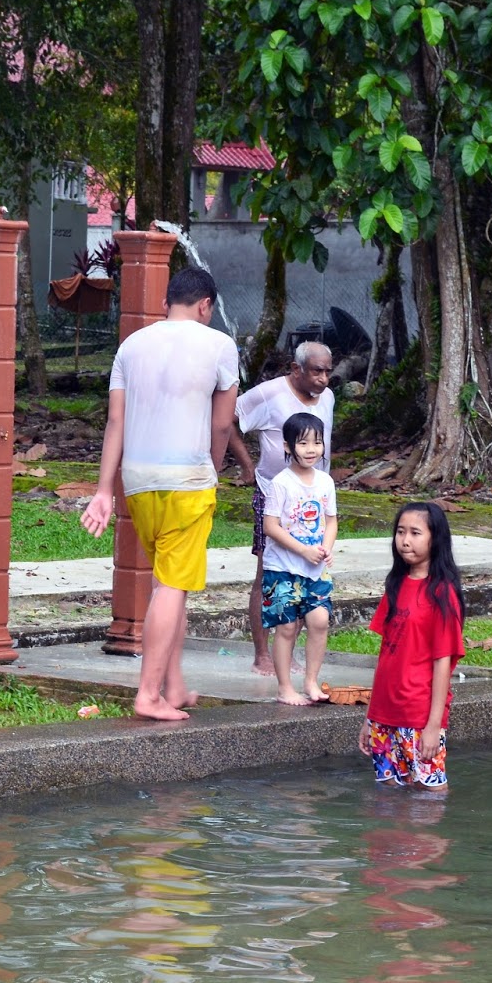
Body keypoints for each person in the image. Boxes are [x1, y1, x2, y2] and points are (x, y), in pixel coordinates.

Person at [82, 267, 238, 721]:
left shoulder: (131, 346)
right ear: (206, 305)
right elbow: (223, 423)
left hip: (137, 480)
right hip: (187, 481)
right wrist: (214, 464)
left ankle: (174, 685)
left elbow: (116, 422)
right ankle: (148, 694)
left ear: (169, 300)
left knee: (166, 583)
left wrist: (102, 490)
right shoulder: (219, 345)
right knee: (172, 585)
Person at [228, 342, 335, 676]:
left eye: (328, 371)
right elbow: (228, 419)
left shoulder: (328, 397)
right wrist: (247, 467)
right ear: (295, 369)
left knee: (305, 571)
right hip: (274, 496)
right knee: (270, 573)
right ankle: (262, 653)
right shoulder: (269, 394)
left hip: (314, 499)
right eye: (316, 371)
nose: (324, 379)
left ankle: (288, 650)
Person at [358, 503, 465, 792]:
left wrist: (433, 726)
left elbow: (443, 662)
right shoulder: (395, 585)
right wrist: (370, 717)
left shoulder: (442, 594)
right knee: (387, 794)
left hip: (418, 713)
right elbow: (385, 655)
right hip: (384, 712)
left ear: (435, 539)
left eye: (416, 533)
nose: (405, 540)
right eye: (401, 532)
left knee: (431, 794)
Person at [260, 413, 338, 706]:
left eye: (317, 443)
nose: (311, 449)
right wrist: (302, 550)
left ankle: (310, 681)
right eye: (303, 443)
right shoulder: (281, 483)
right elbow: (271, 526)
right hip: (281, 568)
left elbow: (331, 521)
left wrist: (326, 547)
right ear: (287, 446)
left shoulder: (325, 482)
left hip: (315, 569)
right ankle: (284, 687)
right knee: (287, 627)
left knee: (319, 621)